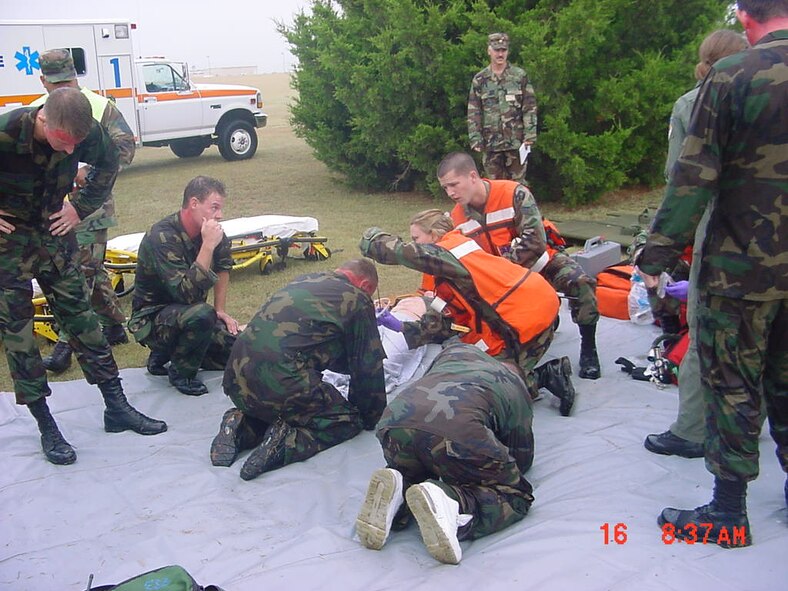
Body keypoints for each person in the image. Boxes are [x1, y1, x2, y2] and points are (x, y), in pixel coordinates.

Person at [636, 0, 787, 547]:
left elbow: (692, 177)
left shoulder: (731, 76)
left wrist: (656, 258)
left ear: (745, 18)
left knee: (732, 384)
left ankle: (728, 513)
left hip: (740, 268)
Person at [0, 87, 167, 465]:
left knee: (83, 319)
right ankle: (47, 427)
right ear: (43, 118)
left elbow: (108, 164)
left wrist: (80, 207)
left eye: (76, 143)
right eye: (63, 141)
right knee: (19, 335)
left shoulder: (85, 132)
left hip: (54, 233)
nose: (70, 150)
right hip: (8, 245)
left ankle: (117, 407)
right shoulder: (7, 131)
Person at [642, 30, 749, 460]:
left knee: (706, 331)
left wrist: (662, 249)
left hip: (721, 232)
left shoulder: (694, 104)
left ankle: (692, 430)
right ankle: (751, 424)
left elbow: (681, 179)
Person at [360, 209, 576, 416]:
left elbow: (408, 254)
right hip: (540, 305)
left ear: (434, 235)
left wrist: (376, 242)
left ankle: (545, 377)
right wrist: (403, 327)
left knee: (489, 390)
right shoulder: (460, 252)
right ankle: (535, 370)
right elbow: (450, 318)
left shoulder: (449, 252)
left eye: (416, 238)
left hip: (523, 320)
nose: (414, 243)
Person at [355, 341, 535, 564]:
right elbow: (522, 458)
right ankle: (453, 502)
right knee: (515, 496)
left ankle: (400, 486)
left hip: (395, 418)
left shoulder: (456, 352)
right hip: (459, 429)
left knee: (416, 463)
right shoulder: (514, 387)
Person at [211, 259, 386, 481]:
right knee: (347, 419)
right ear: (365, 286)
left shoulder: (305, 279)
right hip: (283, 383)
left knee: (278, 405)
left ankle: (241, 425)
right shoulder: (358, 299)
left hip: (236, 379)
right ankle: (286, 444)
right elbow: (367, 365)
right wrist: (370, 416)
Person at [439, 151, 601, 380]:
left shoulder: (513, 193)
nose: (450, 193)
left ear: (472, 176)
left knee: (580, 282)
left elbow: (535, 242)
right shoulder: (457, 218)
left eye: (454, 184)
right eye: (445, 188)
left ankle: (589, 347)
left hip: (539, 264)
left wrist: (504, 271)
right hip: (501, 281)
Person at [29, 49, 137, 374]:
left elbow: (125, 147)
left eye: (69, 81)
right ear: (43, 81)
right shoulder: (39, 111)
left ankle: (65, 346)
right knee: (91, 268)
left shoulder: (100, 106)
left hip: (92, 205)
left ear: (77, 77)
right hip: (55, 208)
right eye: (56, 83)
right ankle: (116, 325)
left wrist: (86, 168)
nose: (64, 87)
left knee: (81, 272)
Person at [128, 176, 240, 396]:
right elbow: (185, 294)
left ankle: (167, 354)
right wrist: (207, 246)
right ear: (194, 203)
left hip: (192, 316)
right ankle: (181, 373)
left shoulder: (214, 232)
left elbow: (224, 268)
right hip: (153, 319)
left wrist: (220, 311)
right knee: (201, 314)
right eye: (214, 208)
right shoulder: (162, 236)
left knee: (236, 351)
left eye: (220, 209)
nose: (220, 215)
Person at [468, 32, 537, 182]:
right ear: (489, 50)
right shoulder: (480, 80)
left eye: (503, 50)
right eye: (497, 50)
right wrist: (475, 138)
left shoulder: (519, 76)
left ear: (508, 51)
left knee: (518, 186)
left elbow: (529, 106)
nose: (500, 54)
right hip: (491, 143)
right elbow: (474, 111)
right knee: (494, 187)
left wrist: (529, 134)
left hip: (516, 142)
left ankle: (518, 207)